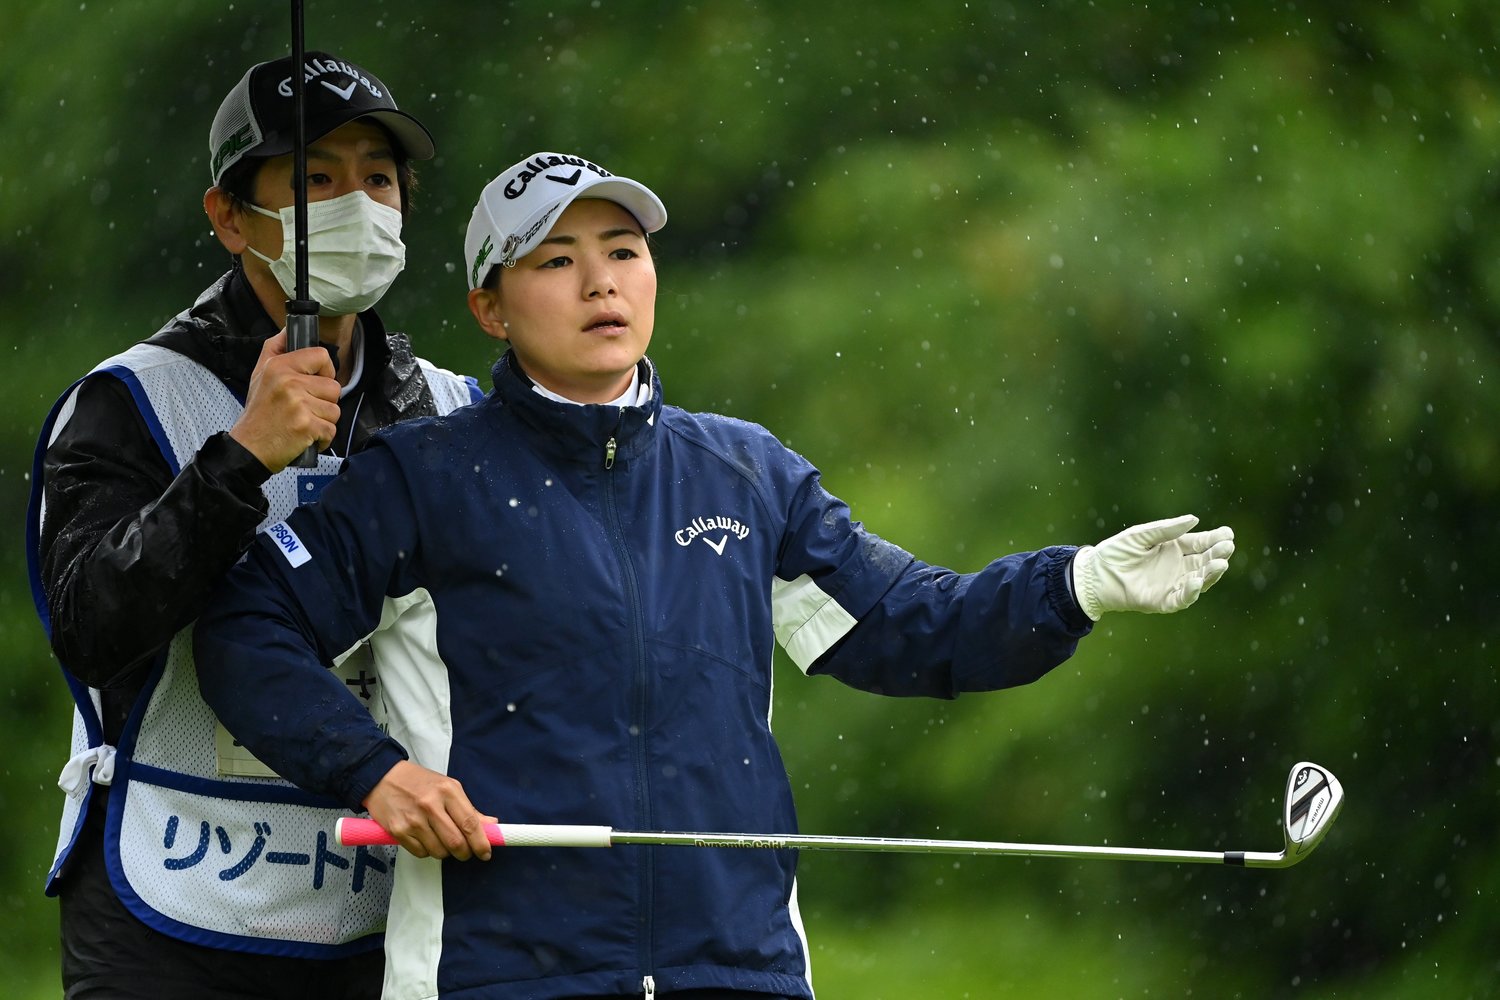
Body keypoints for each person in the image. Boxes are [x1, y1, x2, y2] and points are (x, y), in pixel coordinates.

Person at [193, 151, 1237, 1000]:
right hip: (498, 977)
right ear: (491, 308)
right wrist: (379, 771)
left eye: (623, 250)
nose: (601, 280)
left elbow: (916, 628)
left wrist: (1076, 587)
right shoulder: (421, 479)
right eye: (554, 260)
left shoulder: (747, 472)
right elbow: (247, 628)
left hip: (739, 972)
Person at [25, 51, 484, 999]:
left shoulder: (455, 410)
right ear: (230, 217)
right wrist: (239, 459)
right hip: (169, 909)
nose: (358, 204)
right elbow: (90, 628)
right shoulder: (126, 400)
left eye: (379, 179)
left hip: (382, 912)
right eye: (316, 179)